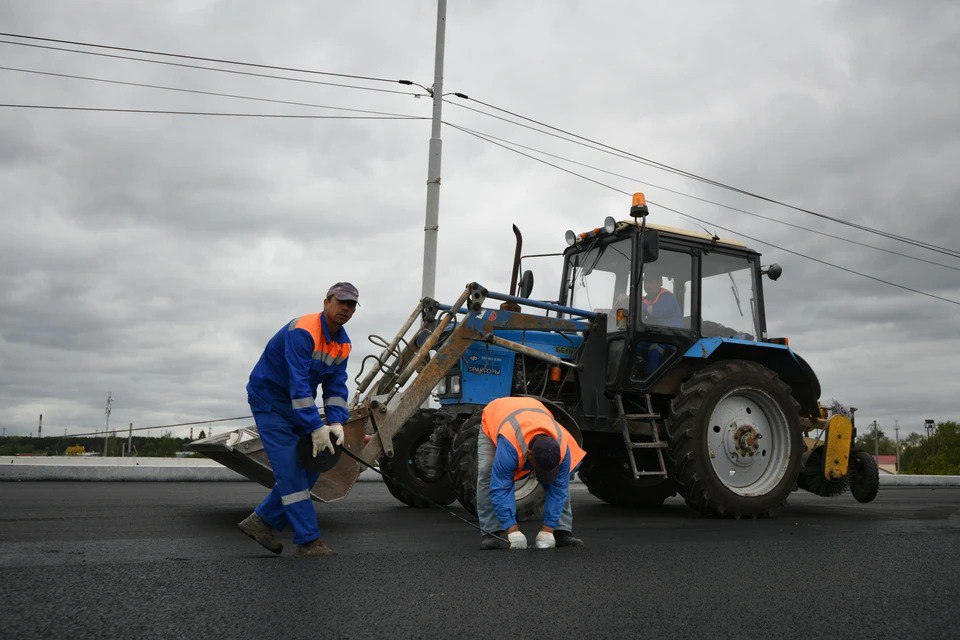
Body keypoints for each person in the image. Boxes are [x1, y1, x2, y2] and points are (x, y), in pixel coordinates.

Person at [237, 282, 358, 557]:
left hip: (295, 405)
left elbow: (337, 387)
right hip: (269, 400)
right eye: (341, 302)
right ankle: (308, 541)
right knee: (292, 471)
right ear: (327, 302)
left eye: (351, 305)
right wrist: (315, 425)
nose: (346, 309)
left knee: (314, 463)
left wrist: (337, 422)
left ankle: (260, 521)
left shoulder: (343, 344)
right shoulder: (303, 330)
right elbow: (299, 382)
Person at [477, 396, 588, 550]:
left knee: (561, 480)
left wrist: (548, 529)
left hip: (533, 411)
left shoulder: (563, 448)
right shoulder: (510, 446)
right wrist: (512, 529)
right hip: (496, 416)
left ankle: (562, 532)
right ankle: (491, 532)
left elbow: (559, 488)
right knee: (487, 471)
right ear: (529, 454)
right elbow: (501, 487)